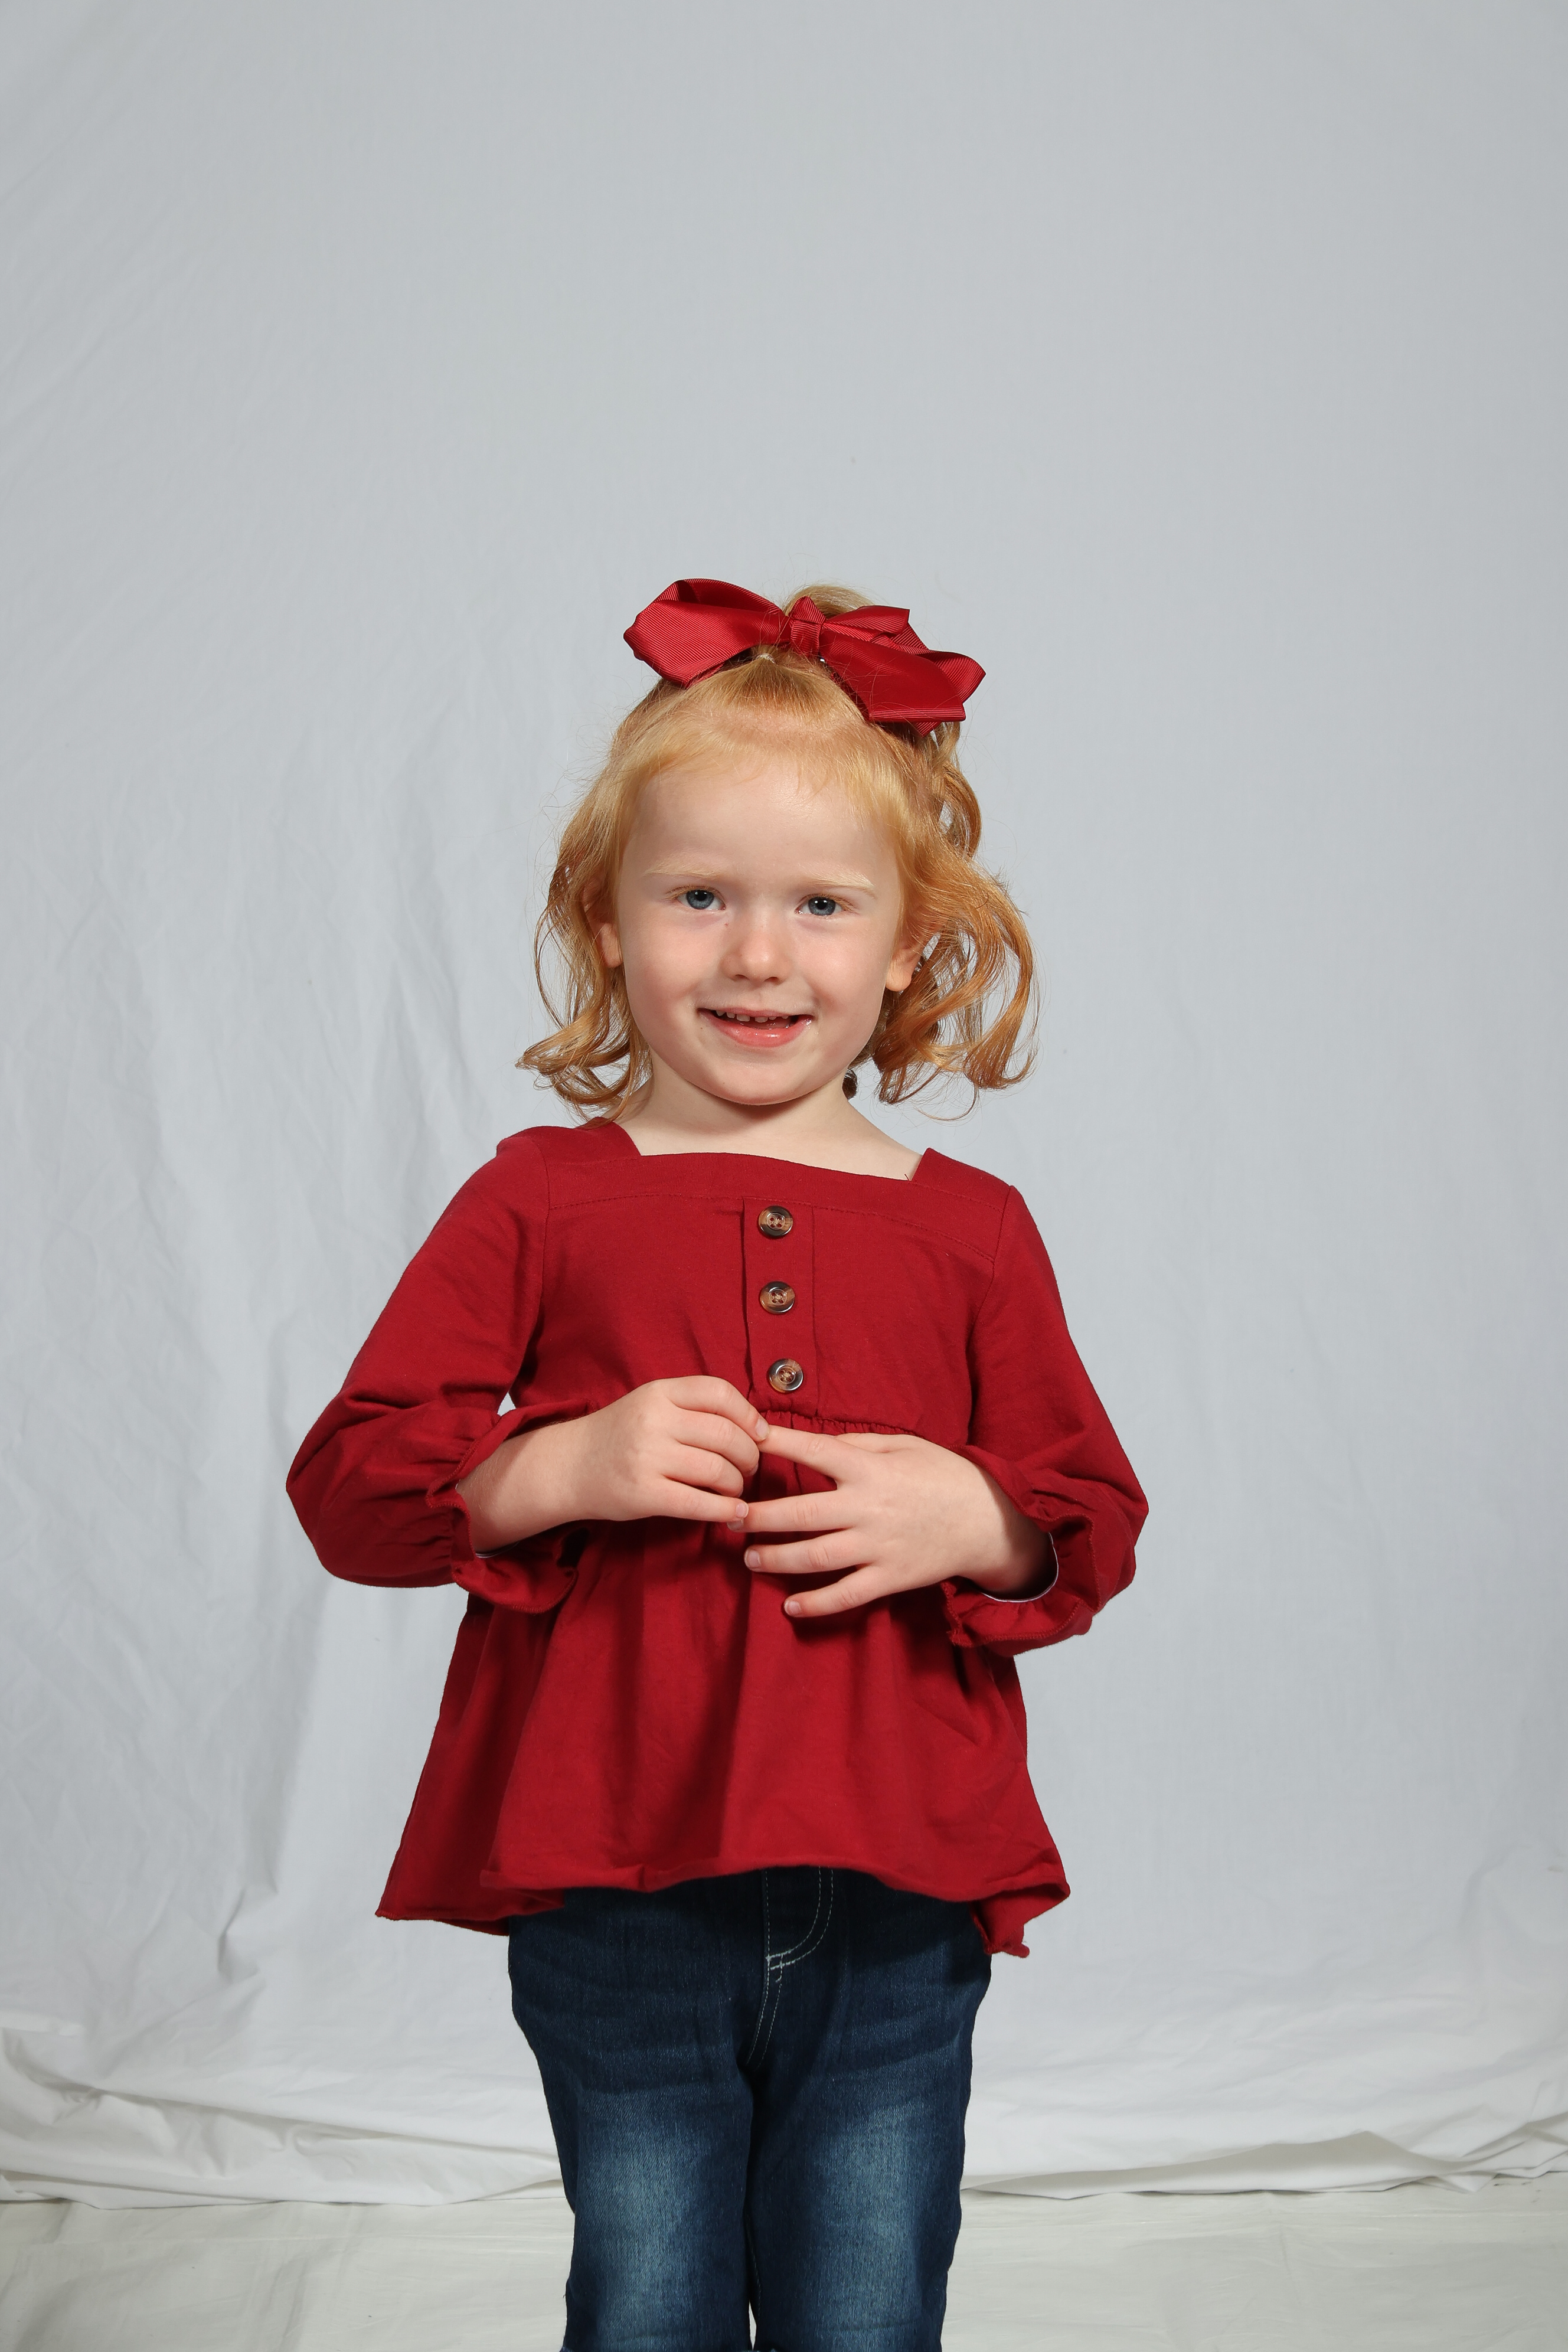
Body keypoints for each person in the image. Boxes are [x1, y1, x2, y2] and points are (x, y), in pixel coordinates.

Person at [288, 578, 1147, 2352]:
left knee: (868, 2300)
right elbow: (354, 1482)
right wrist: (554, 1467)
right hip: (616, 1873)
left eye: (822, 904)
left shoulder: (973, 1228)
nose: (760, 957)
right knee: (649, 2293)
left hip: (900, 1872)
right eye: (699, 898)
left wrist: (976, 1516)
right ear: (606, 925)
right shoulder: (541, 1196)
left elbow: (1089, 1518)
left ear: (909, 942)